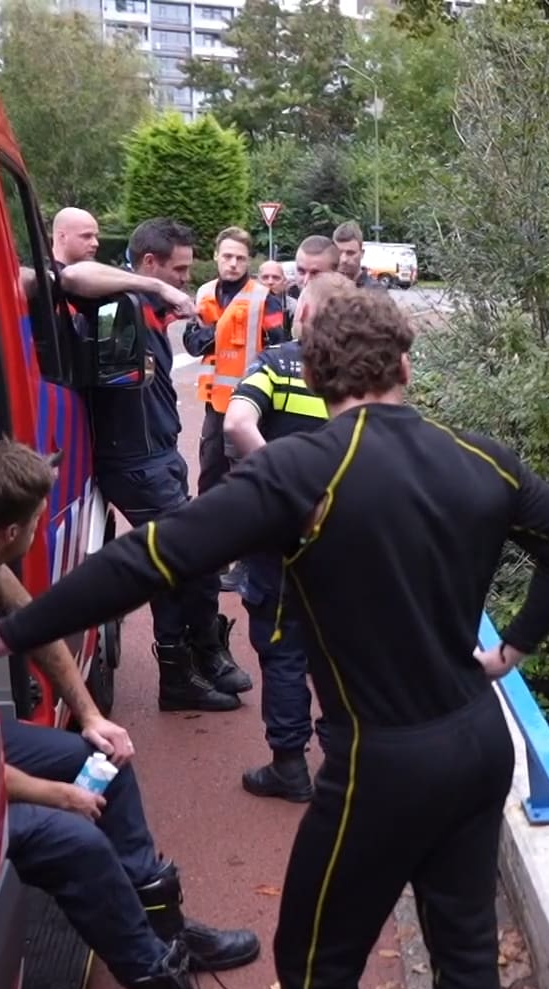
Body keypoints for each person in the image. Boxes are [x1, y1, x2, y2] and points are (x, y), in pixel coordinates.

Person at [0, 286, 549, 989]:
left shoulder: (304, 469)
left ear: (320, 376)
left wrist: (6, 629)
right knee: (463, 940)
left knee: (315, 959)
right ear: (405, 363)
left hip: (378, 762)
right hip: (477, 738)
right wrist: (513, 649)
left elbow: (149, 556)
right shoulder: (481, 456)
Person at [0, 438, 282, 989]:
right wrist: (58, 795)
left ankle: (164, 925)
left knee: (107, 757)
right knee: (69, 839)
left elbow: (37, 631)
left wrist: (91, 717)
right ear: (14, 530)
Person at [75, 217, 249, 710]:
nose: (184, 281)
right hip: (134, 459)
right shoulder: (119, 300)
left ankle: (202, 653)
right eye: (177, 270)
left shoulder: (146, 308)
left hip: (160, 455)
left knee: (191, 555)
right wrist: (151, 285)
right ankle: (182, 672)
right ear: (149, 264)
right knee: (182, 556)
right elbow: (67, 277)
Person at [219, 272, 354, 802]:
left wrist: (283, 482)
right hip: (346, 541)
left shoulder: (276, 364)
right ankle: (341, 766)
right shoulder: (363, 376)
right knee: (341, 653)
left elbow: (235, 423)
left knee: (281, 650)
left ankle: (289, 765)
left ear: (301, 313)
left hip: (279, 539)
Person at [185, 226, 290, 497]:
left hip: (254, 402)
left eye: (240, 258)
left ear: (248, 260)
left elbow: (279, 348)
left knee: (249, 476)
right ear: (216, 255)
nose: (233, 264)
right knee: (209, 475)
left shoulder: (264, 299)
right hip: (215, 403)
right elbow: (192, 344)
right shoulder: (205, 294)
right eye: (228, 256)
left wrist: (213, 332)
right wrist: (222, 329)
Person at [286, 235, 339, 301]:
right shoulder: (284, 303)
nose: (306, 281)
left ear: (335, 274)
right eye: (301, 272)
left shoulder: (350, 308)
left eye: (315, 273)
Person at [331, 221, 374, 289]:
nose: (343, 259)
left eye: (350, 253)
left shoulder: (375, 292)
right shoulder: (326, 288)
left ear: (362, 254)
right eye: (338, 252)